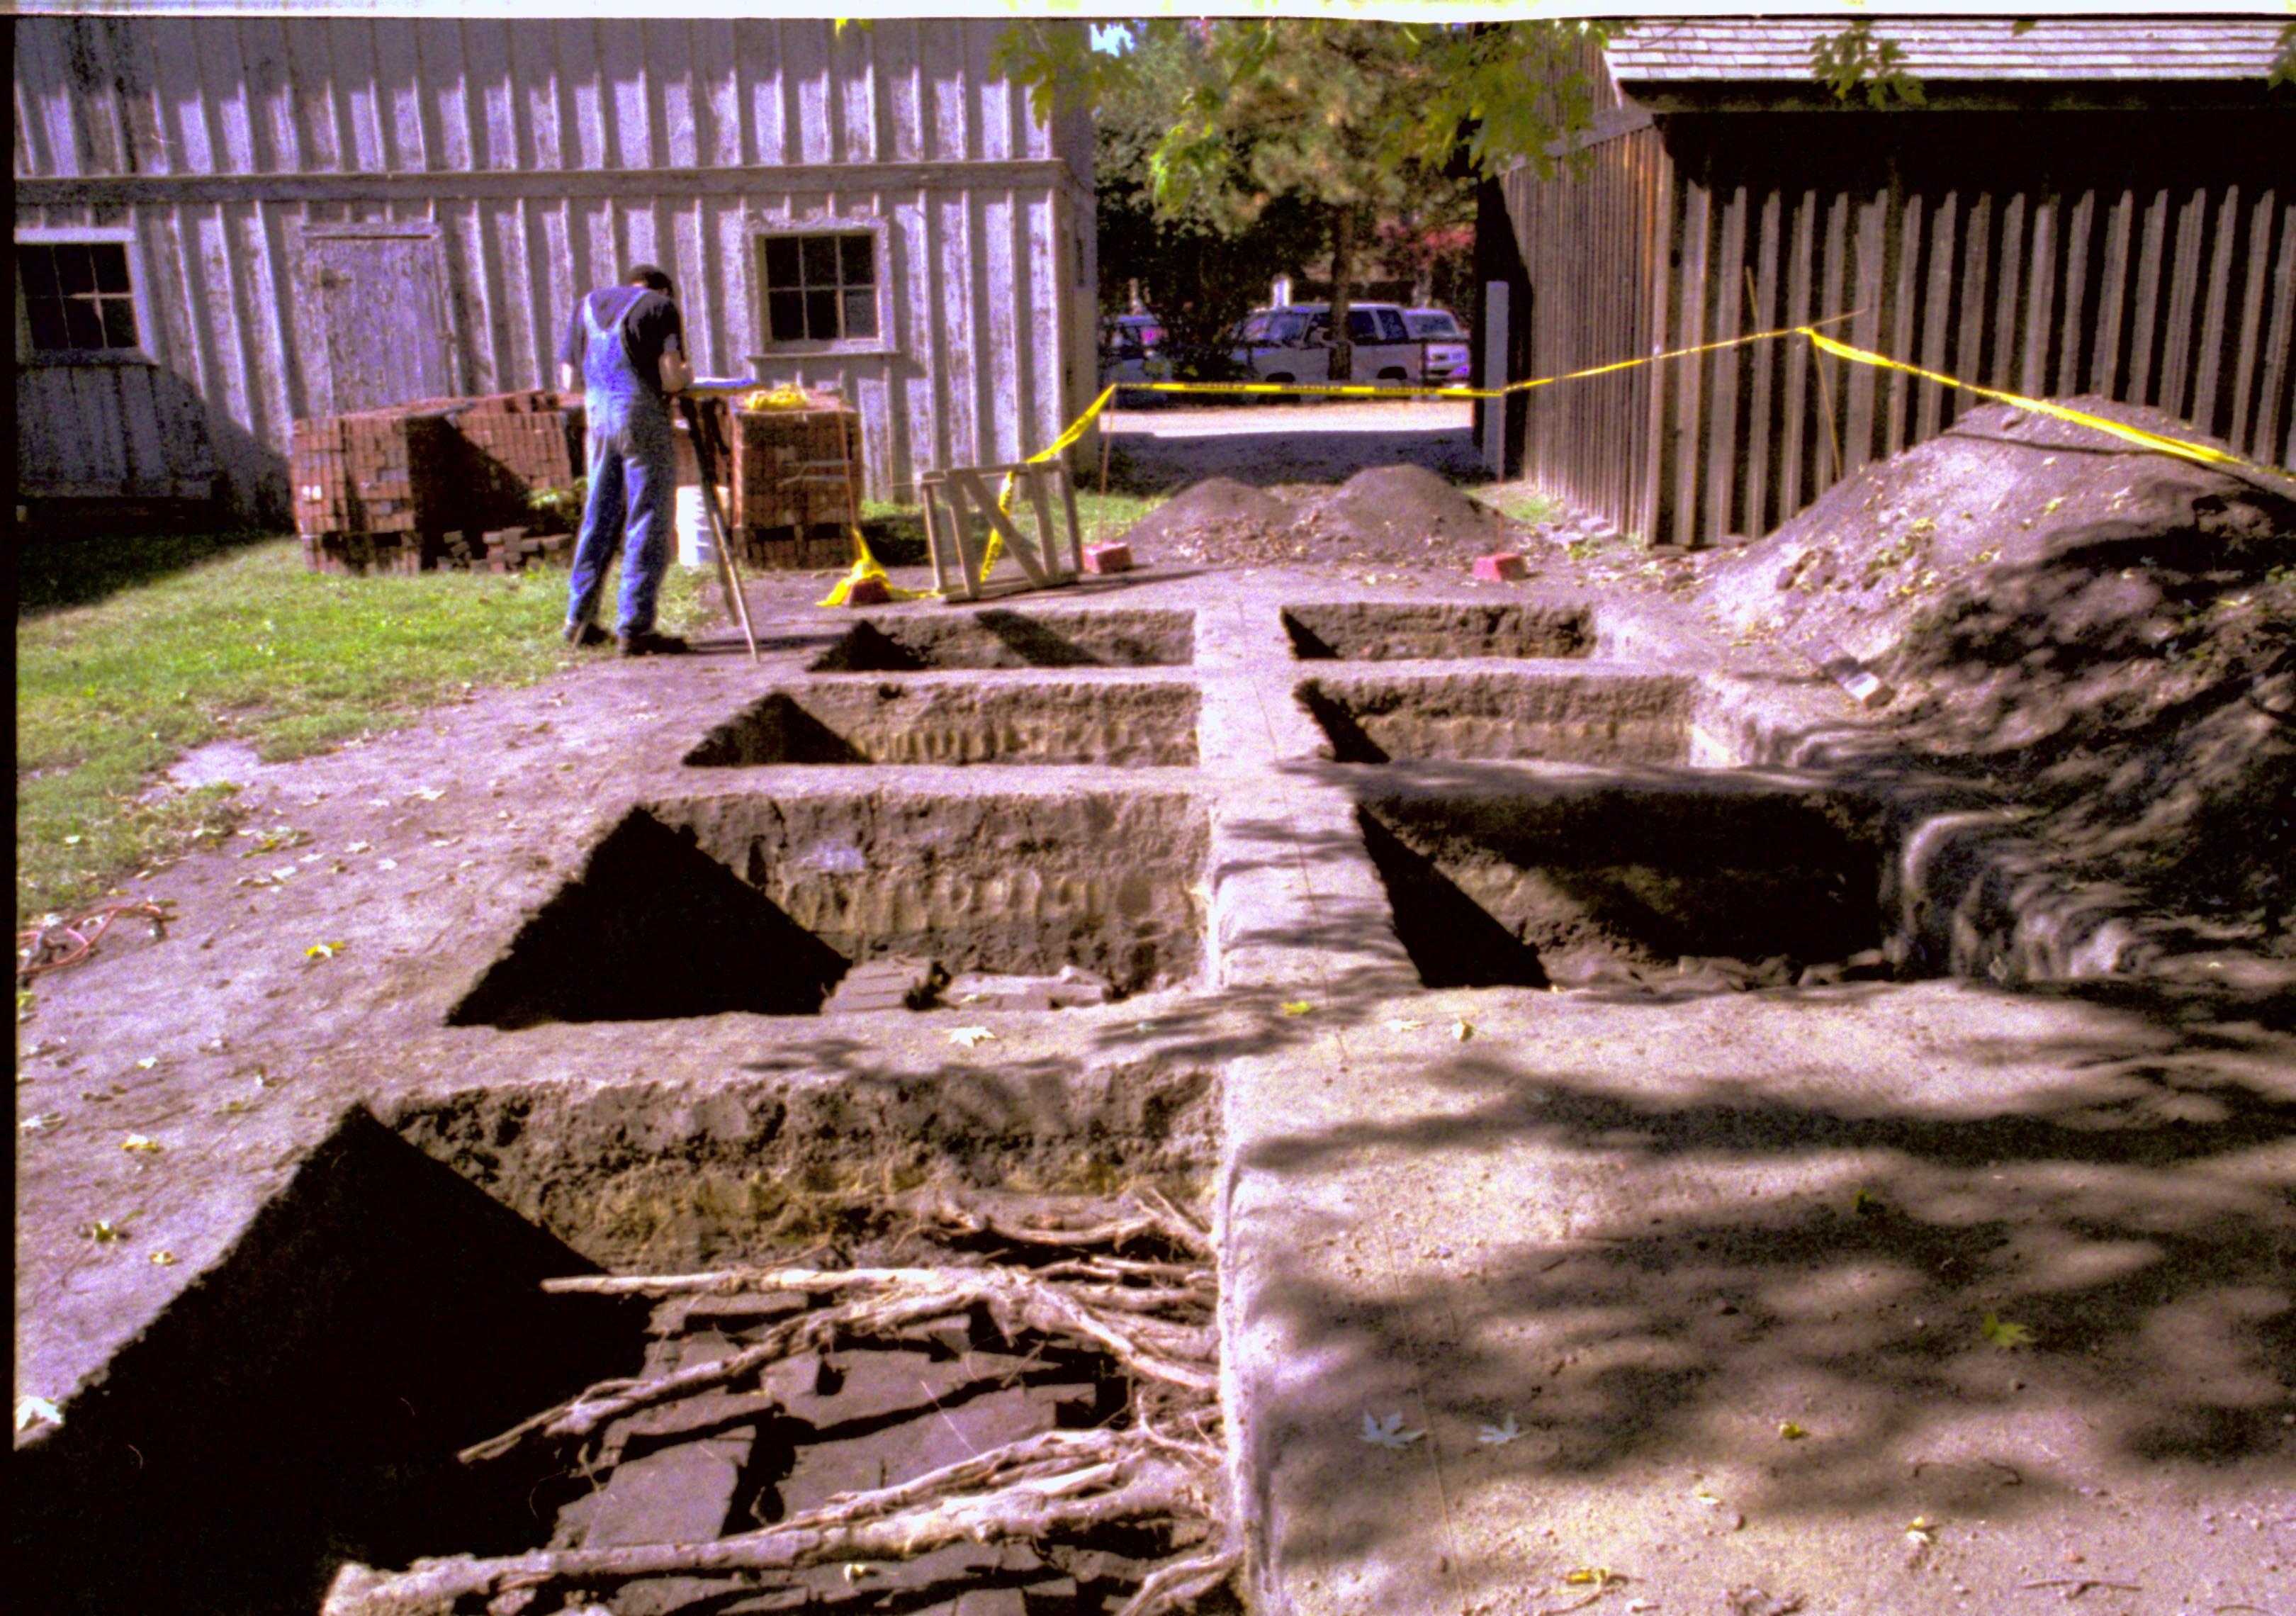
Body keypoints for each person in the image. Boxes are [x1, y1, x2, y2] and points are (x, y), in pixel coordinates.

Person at [558, 263, 694, 656]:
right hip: (640, 416)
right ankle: (635, 627)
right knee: (648, 516)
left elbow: (569, 381)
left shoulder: (586, 305)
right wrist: (687, 375)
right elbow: (670, 378)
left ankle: (578, 620)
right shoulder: (660, 307)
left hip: (598, 417)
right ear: (664, 291)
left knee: (598, 515)